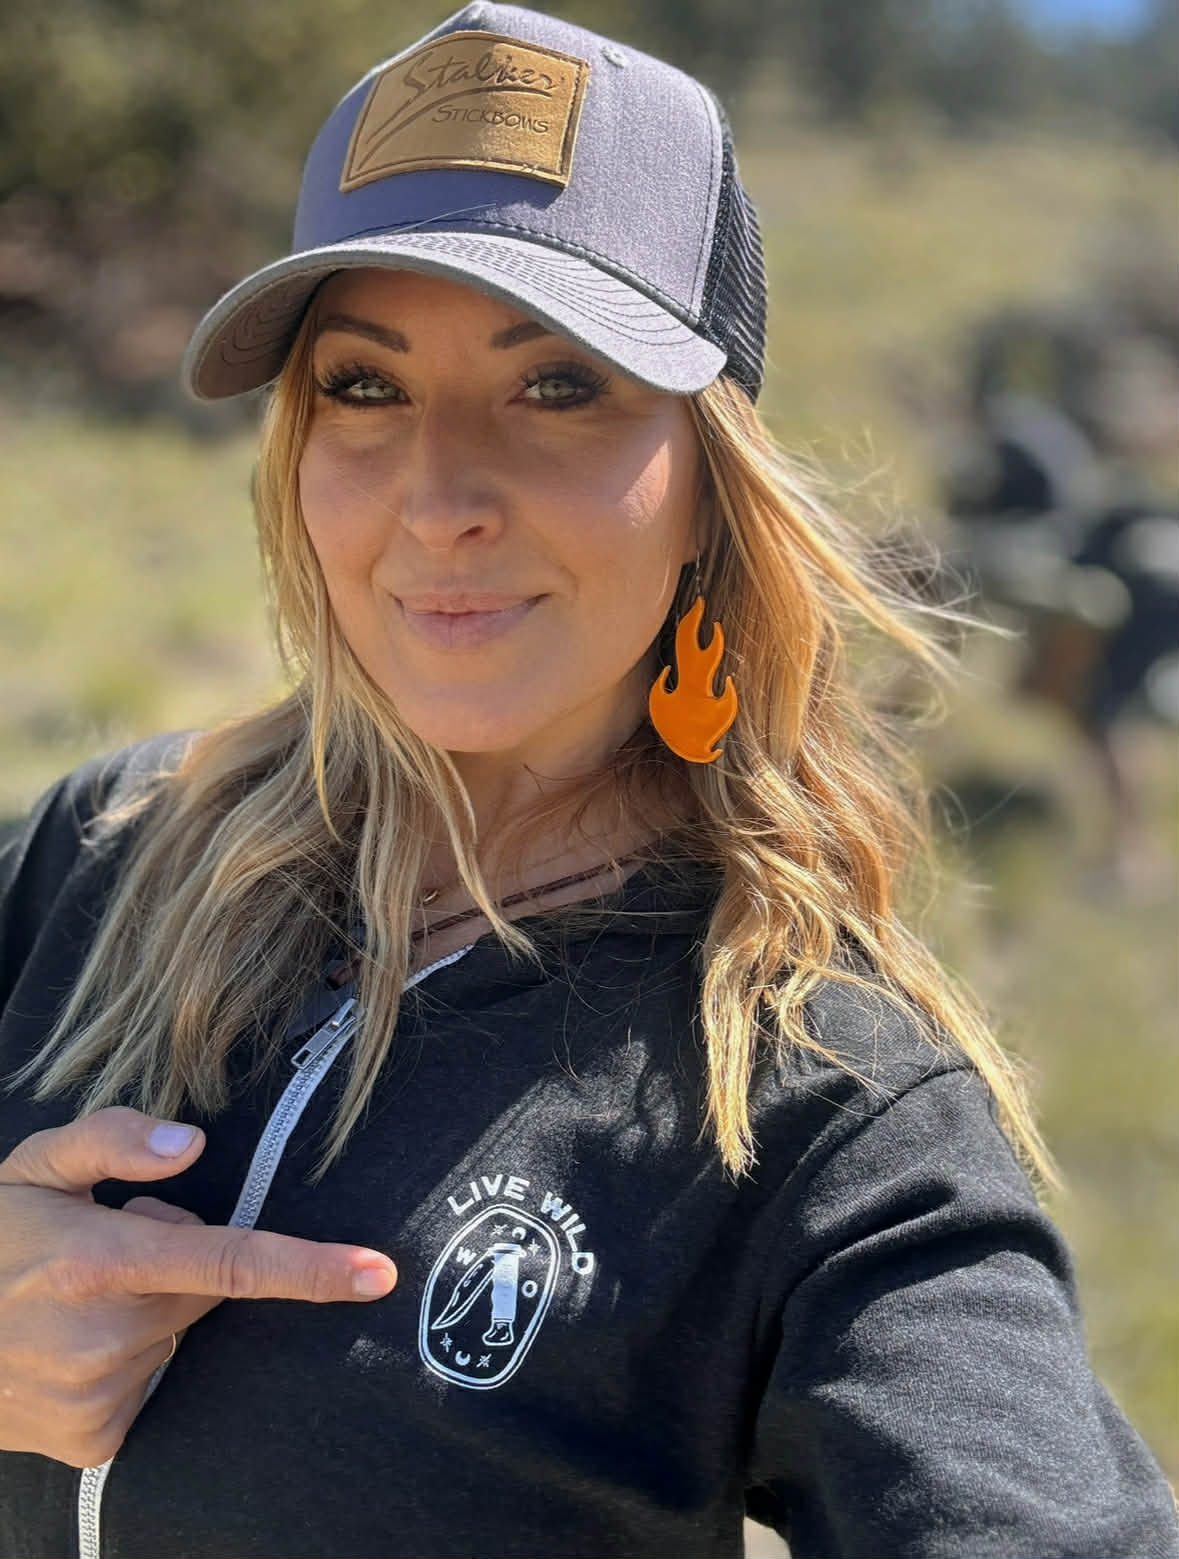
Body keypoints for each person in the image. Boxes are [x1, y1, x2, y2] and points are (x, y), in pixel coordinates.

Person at [0, 6, 1175, 1558]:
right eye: (364, 387)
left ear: (709, 480)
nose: (439, 498)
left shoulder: (811, 1104)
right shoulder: (101, 851)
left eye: (558, 386)